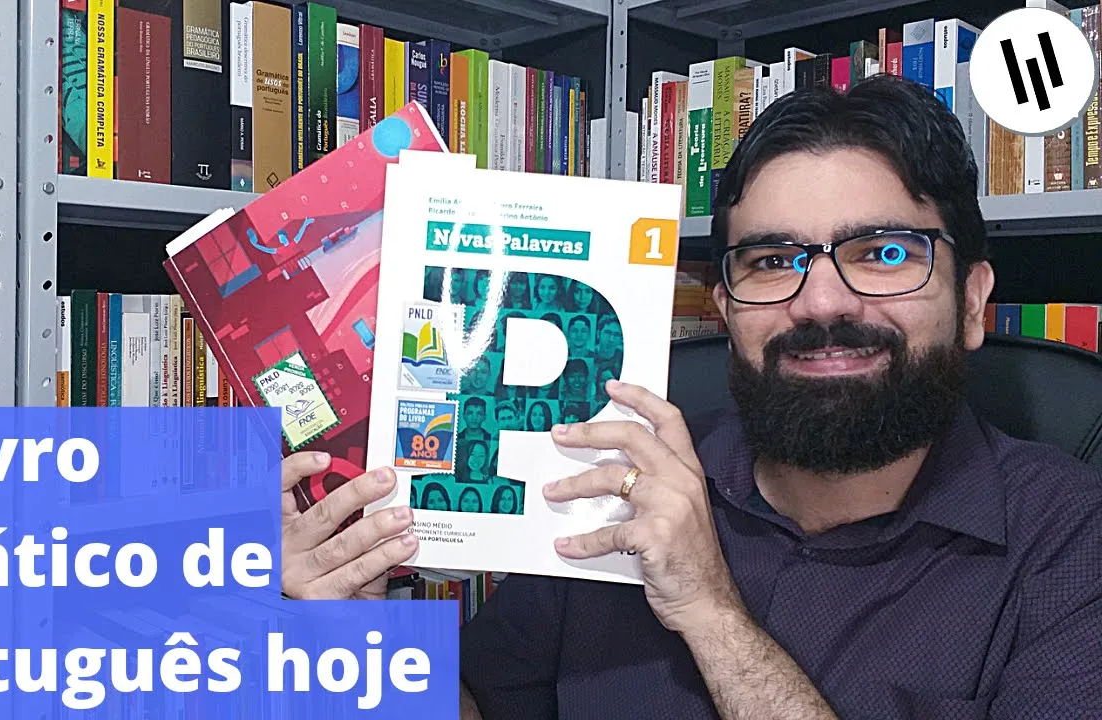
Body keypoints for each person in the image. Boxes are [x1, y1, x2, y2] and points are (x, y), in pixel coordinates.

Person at [276, 73, 1102, 718]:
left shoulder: (1070, 543)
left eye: (884, 253)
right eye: (772, 262)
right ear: (725, 310)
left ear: (972, 302)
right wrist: (356, 641)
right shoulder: (610, 482)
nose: (821, 303)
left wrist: (711, 612)